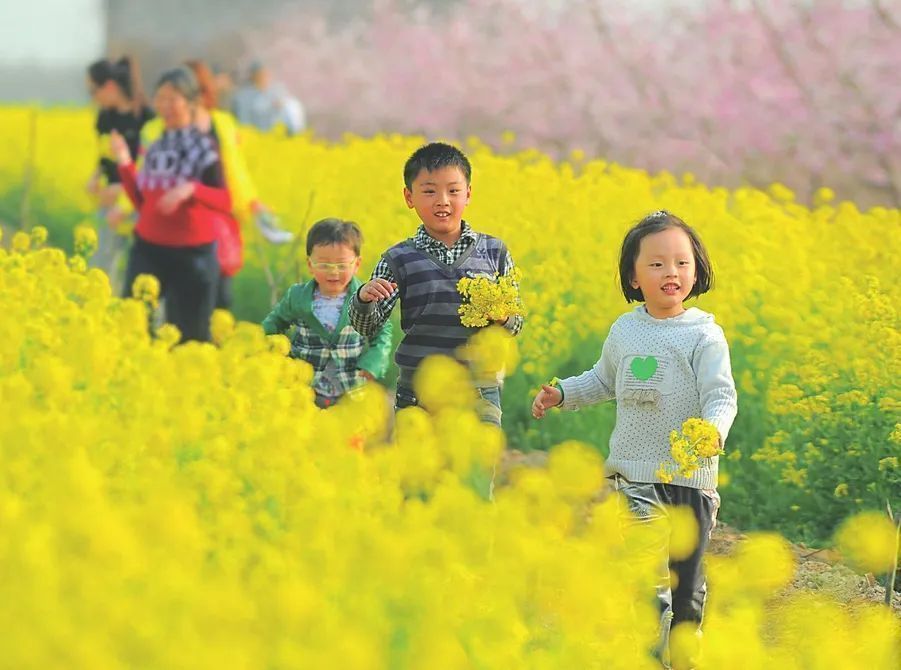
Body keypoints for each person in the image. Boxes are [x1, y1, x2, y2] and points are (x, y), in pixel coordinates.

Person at [531, 210, 738, 665]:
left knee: (687, 582)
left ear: (697, 270)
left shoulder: (704, 334)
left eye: (682, 263)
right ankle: (648, 654)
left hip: (691, 478)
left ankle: (684, 652)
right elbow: (603, 380)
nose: (671, 273)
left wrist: (713, 431)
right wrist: (563, 393)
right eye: (657, 264)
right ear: (633, 276)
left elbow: (721, 395)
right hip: (636, 474)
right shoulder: (626, 330)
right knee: (645, 576)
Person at [349, 142, 524, 427]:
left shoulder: (495, 253)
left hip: (479, 389)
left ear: (468, 194)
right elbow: (367, 327)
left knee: (477, 456)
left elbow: (515, 325)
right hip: (417, 391)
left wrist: (503, 317)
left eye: (453, 191)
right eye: (429, 191)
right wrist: (364, 299)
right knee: (419, 456)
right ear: (409, 197)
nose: (442, 200)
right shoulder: (397, 259)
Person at [141, 59, 291, 310]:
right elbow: (143, 175)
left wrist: (251, 203)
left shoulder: (221, 122)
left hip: (215, 217)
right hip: (173, 222)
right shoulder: (155, 129)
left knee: (218, 296)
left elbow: (235, 170)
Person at [111, 66, 232, 342]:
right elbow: (143, 203)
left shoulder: (205, 148)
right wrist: (124, 162)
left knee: (189, 340)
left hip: (192, 256)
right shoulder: (155, 147)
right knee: (131, 330)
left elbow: (225, 201)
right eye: (160, 98)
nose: (164, 106)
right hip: (148, 249)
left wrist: (191, 190)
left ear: (190, 102)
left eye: (172, 99)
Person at [262, 218, 393, 409]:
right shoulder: (297, 296)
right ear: (310, 264)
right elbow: (275, 323)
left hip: (350, 386)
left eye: (341, 265)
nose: (333, 272)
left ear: (357, 264)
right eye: (324, 265)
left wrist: (372, 364)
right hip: (303, 387)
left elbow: (382, 334)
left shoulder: (366, 298)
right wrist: (270, 351)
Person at [85, 56, 154, 292]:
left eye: (93, 91)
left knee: (141, 273)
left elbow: (150, 166)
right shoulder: (105, 118)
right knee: (101, 266)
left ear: (110, 87)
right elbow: (104, 156)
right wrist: (95, 178)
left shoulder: (146, 118)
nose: (93, 97)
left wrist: (123, 190)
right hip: (109, 204)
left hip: (139, 204)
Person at [232, 61, 306, 135]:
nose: (264, 78)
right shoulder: (243, 96)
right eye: (260, 75)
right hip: (255, 132)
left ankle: (296, 133)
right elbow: (244, 119)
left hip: (275, 131)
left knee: (292, 104)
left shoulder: (276, 90)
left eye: (266, 74)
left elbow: (286, 108)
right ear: (253, 76)